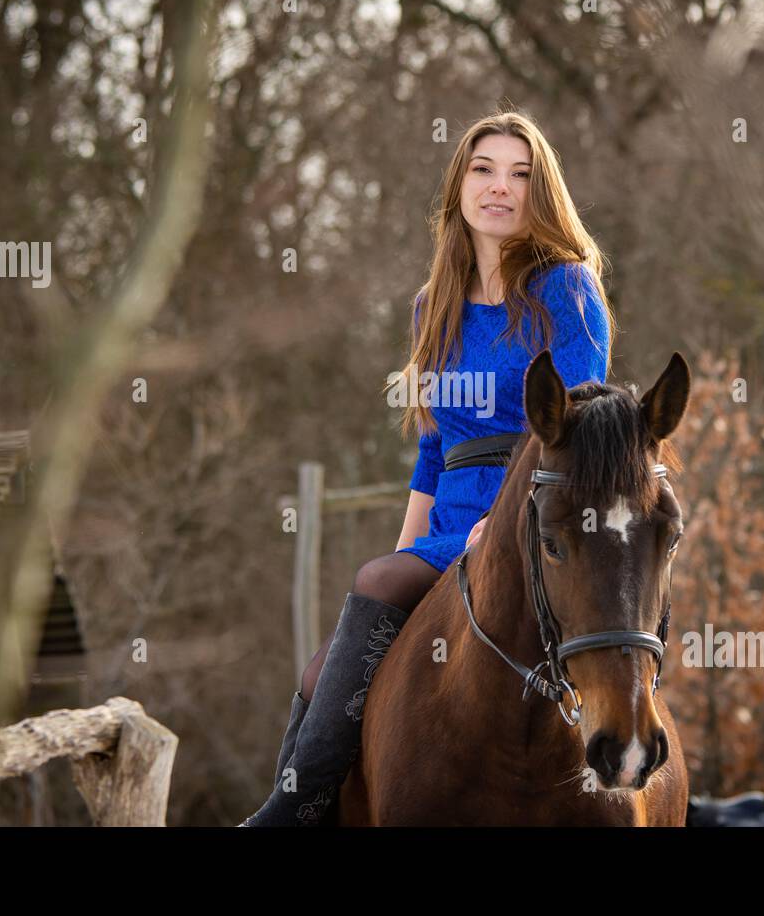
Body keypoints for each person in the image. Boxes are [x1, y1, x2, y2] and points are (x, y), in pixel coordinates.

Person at [240, 108, 617, 826]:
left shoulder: (566, 290)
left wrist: (501, 526)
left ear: (541, 193)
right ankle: (308, 809)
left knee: (373, 582)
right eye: (484, 170)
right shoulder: (431, 307)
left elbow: (570, 432)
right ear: (460, 186)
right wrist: (410, 548)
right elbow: (433, 448)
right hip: (449, 521)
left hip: (528, 518)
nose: (499, 188)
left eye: (520, 174)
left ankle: (278, 821)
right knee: (322, 669)